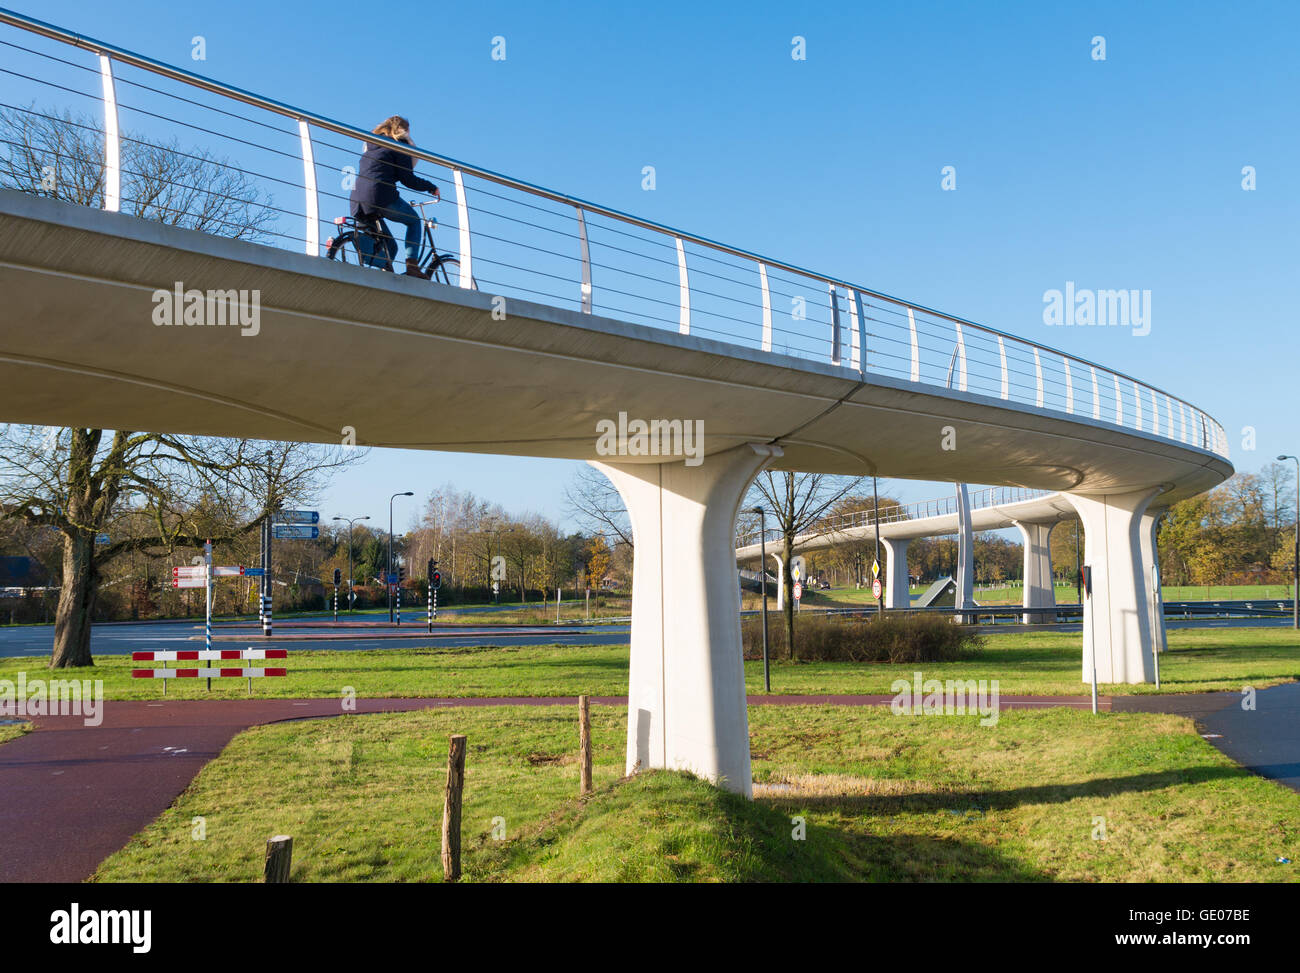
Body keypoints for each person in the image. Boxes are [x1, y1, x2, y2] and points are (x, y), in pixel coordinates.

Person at [349, 116, 440, 278]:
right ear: (404, 131)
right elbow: (408, 179)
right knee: (414, 221)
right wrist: (430, 187)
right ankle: (412, 267)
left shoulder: (372, 146)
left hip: (357, 200)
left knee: (390, 247)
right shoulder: (399, 145)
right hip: (380, 196)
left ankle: (383, 275)